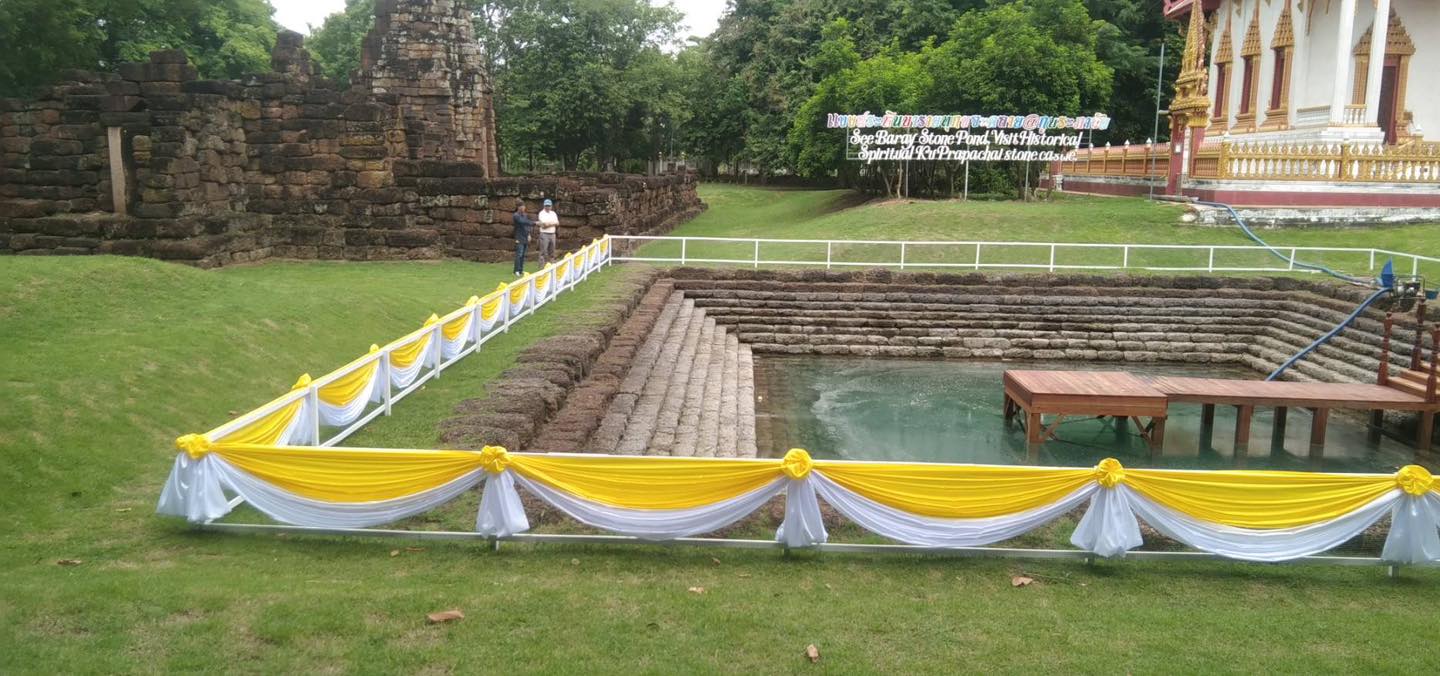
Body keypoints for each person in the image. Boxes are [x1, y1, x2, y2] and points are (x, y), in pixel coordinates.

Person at [512, 203, 534, 277]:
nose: (523, 208)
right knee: (519, 254)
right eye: (522, 207)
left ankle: (521, 270)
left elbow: (527, 226)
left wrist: (529, 234)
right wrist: (535, 223)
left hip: (525, 237)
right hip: (519, 237)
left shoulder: (525, 215)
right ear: (518, 207)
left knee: (523, 255)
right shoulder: (516, 215)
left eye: (524, 207)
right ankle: (516, 271)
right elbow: (523, 221)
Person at [537, 198, 559, 267]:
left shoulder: (553, 213)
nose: (547, 207)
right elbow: (544, 224)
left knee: (552, 250)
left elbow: (557, 223)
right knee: (543, 251)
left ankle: (552, 265)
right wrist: (552, 223)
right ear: (544, 206)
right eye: (546, 206)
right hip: (544, 233)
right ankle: (542, 266)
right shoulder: (541, 213)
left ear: (551, 206)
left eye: (549, 206)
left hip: (552, 234)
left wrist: (549, 224)